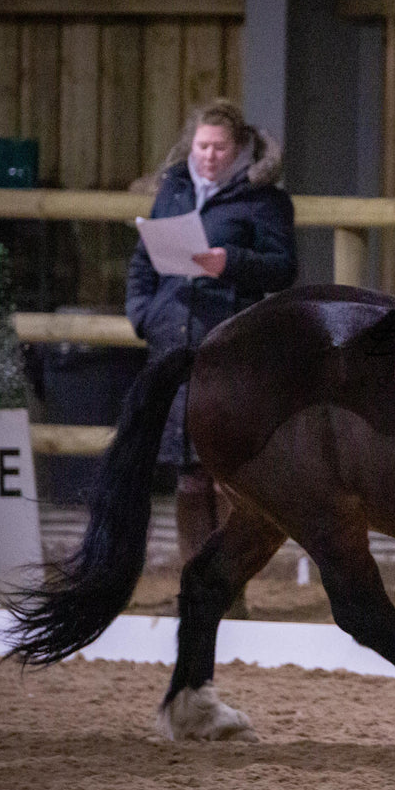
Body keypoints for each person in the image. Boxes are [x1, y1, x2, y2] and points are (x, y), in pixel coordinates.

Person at [126, 98, 296, 599]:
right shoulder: (173, 192)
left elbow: (283, 267)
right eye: (202, 146)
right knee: (187, 473)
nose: (209, 156)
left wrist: (231, 262)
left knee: (224, 472)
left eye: (219, 147)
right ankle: (196, 587)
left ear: (239, 148)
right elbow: (142, 261)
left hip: (227, 346)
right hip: (172, 340)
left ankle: (228, 589)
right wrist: (143, 313)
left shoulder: (264, 201)